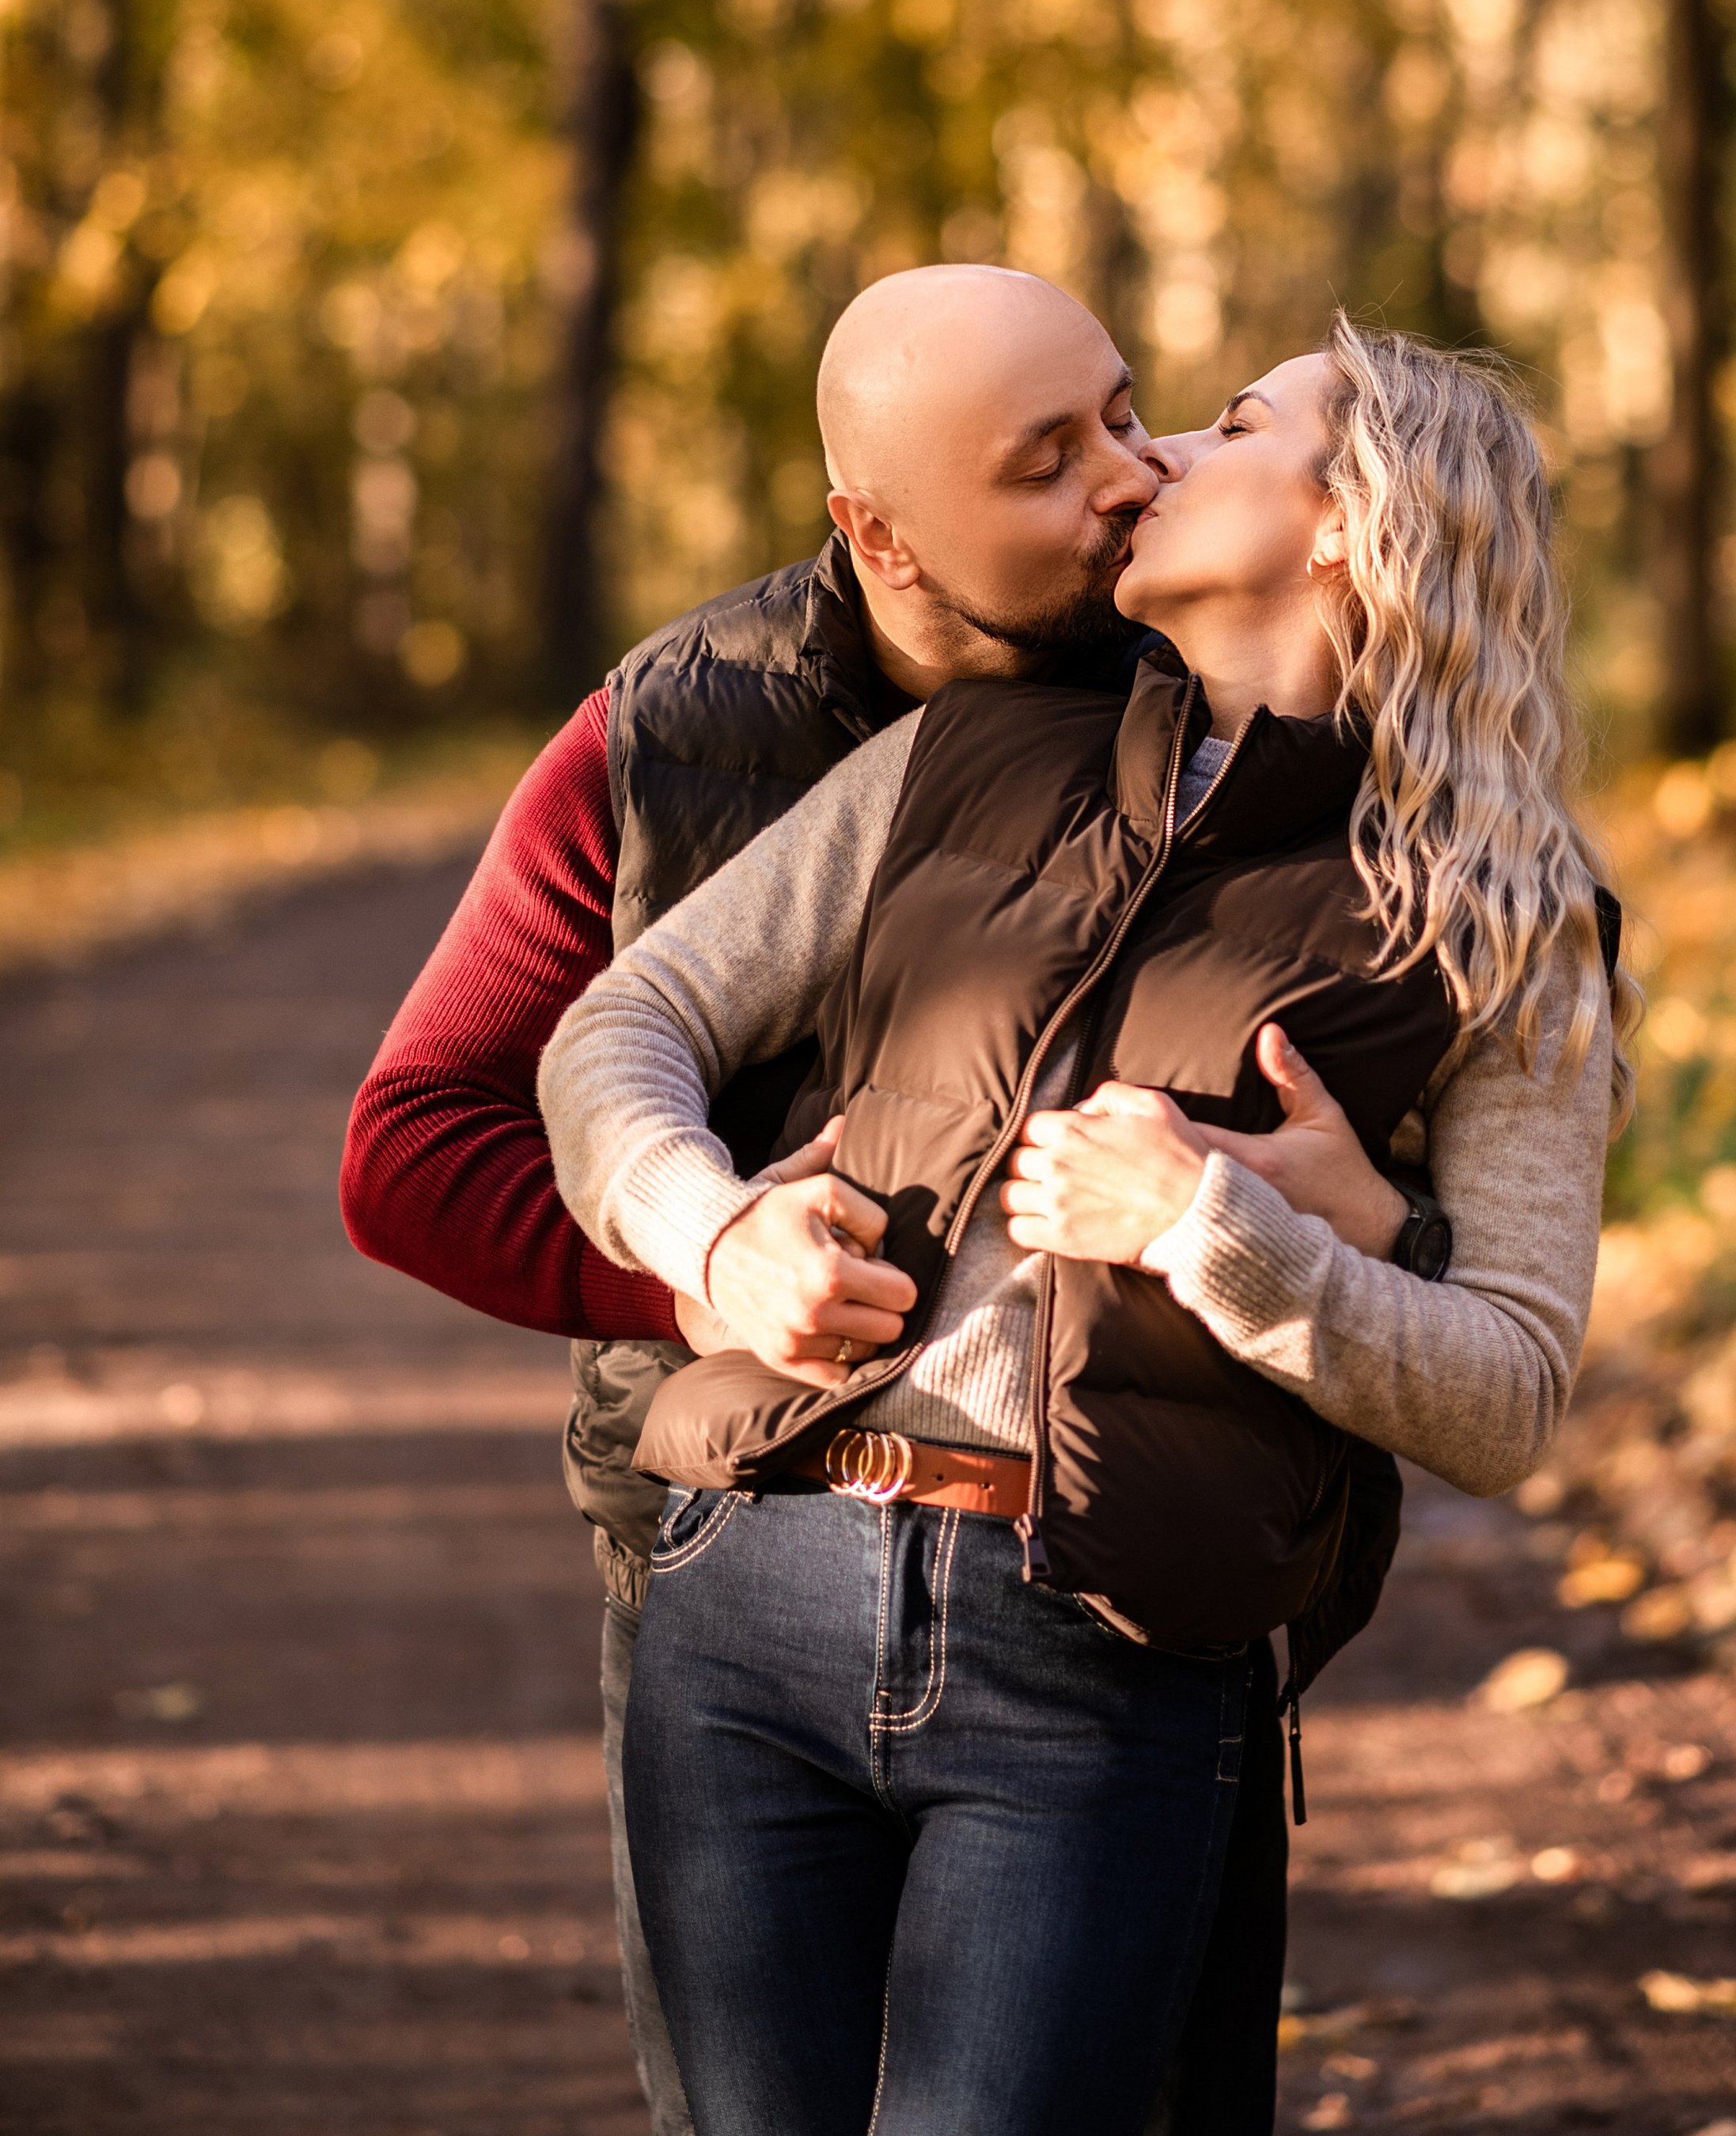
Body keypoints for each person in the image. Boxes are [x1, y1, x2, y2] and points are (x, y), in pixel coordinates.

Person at [539, 320, 1636, 2136]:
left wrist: (1223, 1235)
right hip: (750, 1583)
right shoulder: (960, 759)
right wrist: (714, 1236)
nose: (1157, 459)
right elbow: (620, 1031)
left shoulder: (1508, 925)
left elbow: (1509, 1391)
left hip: (1096, 1657)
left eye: (1230, 423)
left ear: (1348, 521)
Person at [341, 264, 1319, 2136]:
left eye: (1124, 412)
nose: (1128, 476)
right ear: (872, 531)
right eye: (1047, 464)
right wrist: (700, 1265)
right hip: (725, 1553)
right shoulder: (668, 736)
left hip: (1114, 1592)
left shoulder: (1210, 685)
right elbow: (413, 1136)